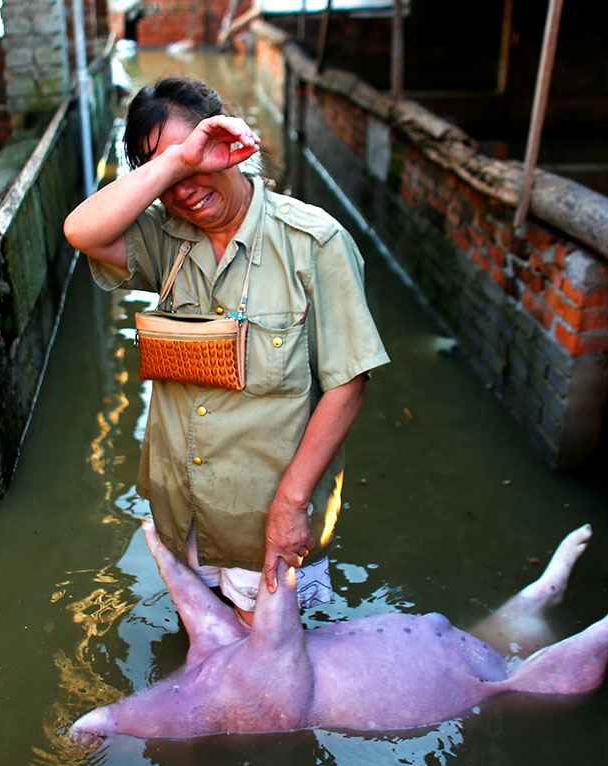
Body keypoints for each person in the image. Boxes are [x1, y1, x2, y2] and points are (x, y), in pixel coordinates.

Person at [63, 76, 388, 625]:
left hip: (261, 520)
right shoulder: (166, 240)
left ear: (231, 146)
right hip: (184, 510)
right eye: (167, 173)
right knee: (208, 663)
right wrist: (176, 163)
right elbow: (82, 232)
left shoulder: (312, 242)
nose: (186, 187)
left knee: (269, 693)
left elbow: (347, 384)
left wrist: (290, 506)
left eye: (200, 159)